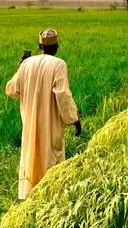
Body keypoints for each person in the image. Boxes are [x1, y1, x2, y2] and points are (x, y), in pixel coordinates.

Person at [5, 28, 82, 200]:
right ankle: (50, 198)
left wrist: (20, 68)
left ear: (40, 45)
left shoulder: (27, 64)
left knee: (31, 157)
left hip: (30, 123)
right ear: (56, 46)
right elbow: (62, 95)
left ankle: (30, 197)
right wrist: (75, 120)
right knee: (51, 159)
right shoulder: (58, 64)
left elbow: (11, 90)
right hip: (50, 123)